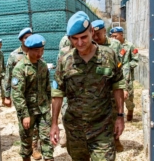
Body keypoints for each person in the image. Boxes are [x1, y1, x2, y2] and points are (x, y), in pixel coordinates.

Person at [50, 11, 125, 160]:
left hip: (102, 126)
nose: (79, 43)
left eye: (83, 37)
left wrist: (120, 116)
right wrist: (54, 124)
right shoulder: (65, 61)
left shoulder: (109, 55)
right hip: (75, 129)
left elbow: (118, 85)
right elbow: (57, 94)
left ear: (91, 32)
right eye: (74, 39)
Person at [11, 34, 54, 161]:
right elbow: (17, 94)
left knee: (47, 138)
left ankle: (48, 158)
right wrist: (24, 114)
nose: (39, 53)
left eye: (41, 50)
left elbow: (47, 86)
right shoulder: (20, 68)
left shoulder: (43, 65)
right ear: (28, 50)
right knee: (26, 140)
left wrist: (49, 103)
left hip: (43, 109)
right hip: (28, 111)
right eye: (36, 51)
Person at [3, 27, 42, 159]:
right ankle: (26, 148)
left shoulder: (36, 52)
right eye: (26, 38)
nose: (28, 40)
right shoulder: (14, 56)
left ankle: (35, 147)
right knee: (25, 124)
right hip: (21, 96)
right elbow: (8, 76)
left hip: (35, 96)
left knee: (36, 124)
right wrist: (6, 95)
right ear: (21, 40)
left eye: (30, 37)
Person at [91, 20, 127, 152]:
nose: (95, 37)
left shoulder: (115, 45)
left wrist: (125, 88)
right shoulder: (91, 45)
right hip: (97, 85)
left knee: (114, 112)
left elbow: (121, 67)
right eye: (93, 34)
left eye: (98, 34)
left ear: (104, 32)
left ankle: (116, 139)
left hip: (112, 83)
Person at [110, 27, 139, 121]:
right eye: (112, 36)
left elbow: (135, 60)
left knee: (129, 96)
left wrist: (126, 66)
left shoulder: (130, 46)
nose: (114, 38)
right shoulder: (111, 46)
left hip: (127, 76)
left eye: (116, 36)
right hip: (115, 75)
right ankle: (118, 114)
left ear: (121, 35)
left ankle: (130, 110)